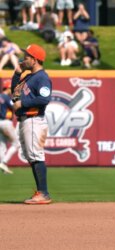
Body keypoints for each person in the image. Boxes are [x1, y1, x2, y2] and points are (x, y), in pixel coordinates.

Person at [11, 44, 52, 204]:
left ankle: (43, 193)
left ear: (35, 60)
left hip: (34, 119)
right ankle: (41, 192)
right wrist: (17, 74)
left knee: (35, 155)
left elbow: (44, 98)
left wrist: (23, 103)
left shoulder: (41, 77)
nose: (23, 59)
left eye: (27, 57)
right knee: (31, 156)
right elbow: (15, 91)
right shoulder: (29, 76)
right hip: (26, 120)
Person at [0, 80, 20, 174]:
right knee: (16, 144)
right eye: (10, 88)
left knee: (2, 145)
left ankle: (3, 166)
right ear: (7, 88)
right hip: (5, 122)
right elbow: (14, 106)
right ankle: (4, 162)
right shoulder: (6, 97)